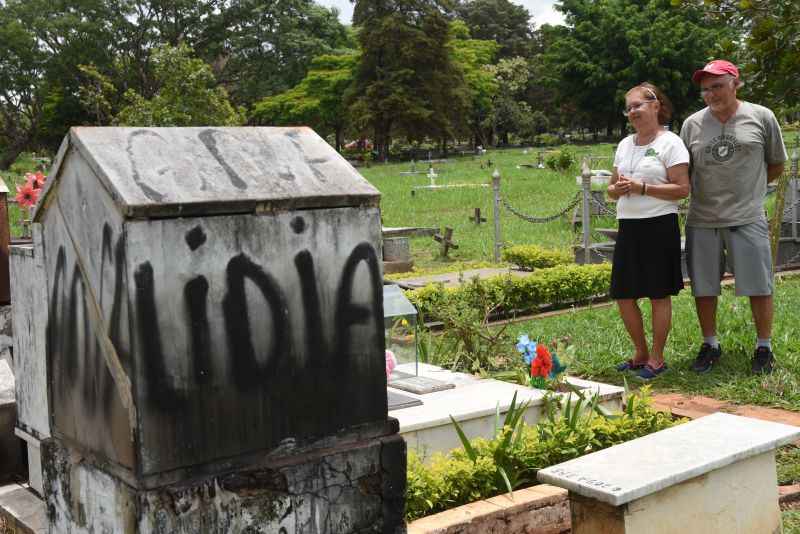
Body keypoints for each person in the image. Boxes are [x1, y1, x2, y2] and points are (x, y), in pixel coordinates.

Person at [680, 60, 788, 375]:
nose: (710, 94)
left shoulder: (762, 117)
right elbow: (685, 170)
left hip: (747, 216)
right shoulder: (692, 125)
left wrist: (749, 192)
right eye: (705, 89)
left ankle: (763, 347)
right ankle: (710, 344)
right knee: (704, 286)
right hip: (702, 217)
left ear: (735, 83)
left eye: (717, 86)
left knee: (759, 284)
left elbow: (776, 164)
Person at [607, 83, 690, 380]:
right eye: (628, 108)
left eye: (637, 105)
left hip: (658, 225)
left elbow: (682, 189)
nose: (632, 112)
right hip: (628, 226)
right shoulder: (624, 145)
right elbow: (612, 190)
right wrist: (616, 189)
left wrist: (643, 187)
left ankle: (657, 357)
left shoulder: (671, 143)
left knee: (658, 294)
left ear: (655, 106)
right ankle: (640, 352)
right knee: (624, 294)